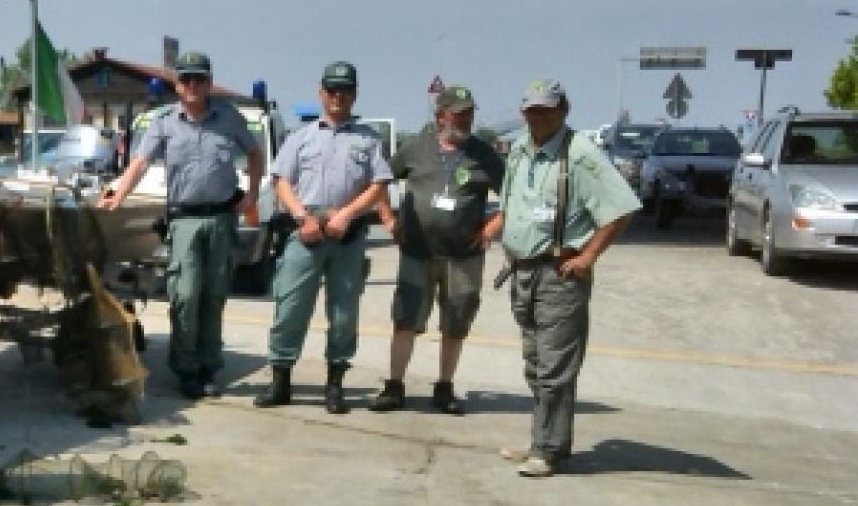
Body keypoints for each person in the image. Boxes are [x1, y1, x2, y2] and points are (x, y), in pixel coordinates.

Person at [480, 79, 638, 477]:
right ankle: (546, 440)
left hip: (558, 274)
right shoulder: (519, 149)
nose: (538, 116)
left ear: (564, 109)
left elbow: (620, 210)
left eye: (547, 109)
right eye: (532, 109)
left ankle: (547, 449)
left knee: (554, 366)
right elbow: (513, 201)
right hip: (522, 271)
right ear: (523, 112)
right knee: (535, 363)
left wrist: (587, 256)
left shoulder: (581, 155)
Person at [102, 51, 262, 398]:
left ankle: (209, 366)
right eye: (185, 79)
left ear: (208, 83)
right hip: (185, 220)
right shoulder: (163, 122)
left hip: (222, 218)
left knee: (214, 295)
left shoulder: (229, 118)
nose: (191, 85)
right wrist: (117, 194)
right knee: (185, 296)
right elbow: (140, 163)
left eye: (198, 79)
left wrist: (251, 195)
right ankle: (186, 368)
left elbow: (254, 153)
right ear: (177, 85)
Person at [258, 61, 392, 412]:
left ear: (355, 94)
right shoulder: (300, 138)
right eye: (332, 90)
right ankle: (280, 381)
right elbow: (281, 181)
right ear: (321, 93)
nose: (338, 96)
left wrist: (347, 214)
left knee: (344, 313)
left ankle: (335, 385)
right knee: (290, 308)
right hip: (306, 233)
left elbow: (378, 186)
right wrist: (303, 217)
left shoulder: (369, 140)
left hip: (347, 237)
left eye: (345, 90)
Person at [371, 85, 506, 415]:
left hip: (464, 258)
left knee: (456, 321)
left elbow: (516, 196)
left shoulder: (484, 154)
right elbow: (379, 180)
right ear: (440, 116)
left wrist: (492, 228)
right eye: (458, 113)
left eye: (469, 113)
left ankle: (444, 387)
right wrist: (388, 217)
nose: (465, 119)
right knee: (406, 319)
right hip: (417, 253)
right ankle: (394, 386)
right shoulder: (416, 149)